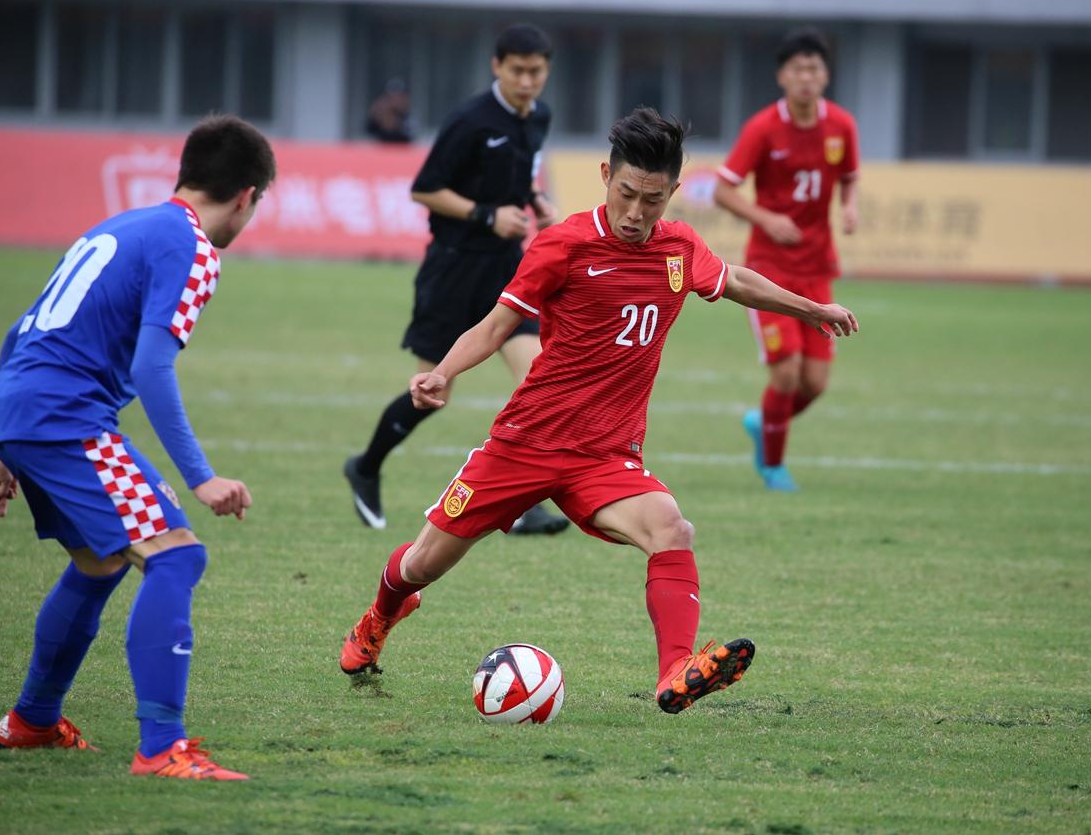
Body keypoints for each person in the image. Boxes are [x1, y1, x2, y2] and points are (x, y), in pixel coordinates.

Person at [337, 107, 859, 714]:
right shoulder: (561, 244)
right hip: (525, 443)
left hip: (606, 454)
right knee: (424, 563)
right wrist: (442, 373)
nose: (637, 213)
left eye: (654, 201)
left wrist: (812, 309)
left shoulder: (680, 246)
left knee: (672, 529)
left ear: (674, 194)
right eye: (627, 194)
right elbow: (498, 325)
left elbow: (736, 280)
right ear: (606, 175)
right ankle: (376, 621)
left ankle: (675, 671)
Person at [0, 115, 275, 779]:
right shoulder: (196, 247)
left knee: (99, 559)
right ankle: (162, 747)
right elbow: (151, 368)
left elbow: (17, 328)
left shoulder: (118, 226)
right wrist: (199, 476)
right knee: (176, 557)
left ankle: (32, 719)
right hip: (66, 416)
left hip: (26, 407)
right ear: (246, 196)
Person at [344, 23, 568, 536]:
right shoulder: (469, 120)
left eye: (536, 72)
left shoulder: (541, 117)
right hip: (452, 267)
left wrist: (537, 203)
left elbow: (520, 172)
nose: (528, 81)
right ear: (497, 66)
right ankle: (366, 465)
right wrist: (487, 216)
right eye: (517, 71)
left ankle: (518, 502)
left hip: (508, 269)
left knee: (537, 379)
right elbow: (425, 189)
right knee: (434, 390)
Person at [713, 27, 860, 492]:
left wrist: (851, 204)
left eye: (815, 68)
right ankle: (773, 467)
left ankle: (764, 421)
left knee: (814, 383)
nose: (806, 77)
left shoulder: (841, 125)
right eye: (798, 68)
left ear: (825, 76)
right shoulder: (762, 128)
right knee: (787, 371)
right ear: (782, 76)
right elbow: (722, 189)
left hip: (817, 267)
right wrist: (767, 219)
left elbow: (850, 177)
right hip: (770, 270)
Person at [366, 77, 416, 144]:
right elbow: (369, 134)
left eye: (398, 97)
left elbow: (410, 138)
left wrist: (394, 125)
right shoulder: (378, 115)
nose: (395, 100)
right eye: (391, 97)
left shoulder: (408, 116)